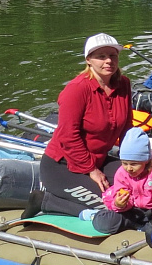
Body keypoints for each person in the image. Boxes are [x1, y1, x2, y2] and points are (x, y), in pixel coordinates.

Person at [27, 33, 132, 227]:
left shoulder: (123, 84)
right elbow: (68, 136)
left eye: (113, 55)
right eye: (101, 56)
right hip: (62, 166)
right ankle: (47, 201)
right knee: (111, 206)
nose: (108, 60)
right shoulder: (77, 89)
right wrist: (91, 170)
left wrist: (138, 162)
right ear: (88, 60)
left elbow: (127, 130)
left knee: (136, 189)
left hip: (99, 160)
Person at [86, 127, 152, 233]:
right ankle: (94, 215)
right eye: (124, 163)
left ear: (146, 160)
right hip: (133, 210)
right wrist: (120, 204)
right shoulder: (122, 173)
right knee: (104, 223)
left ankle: (143, 227)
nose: (129, 168)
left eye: (134, 164)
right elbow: (122, 196)